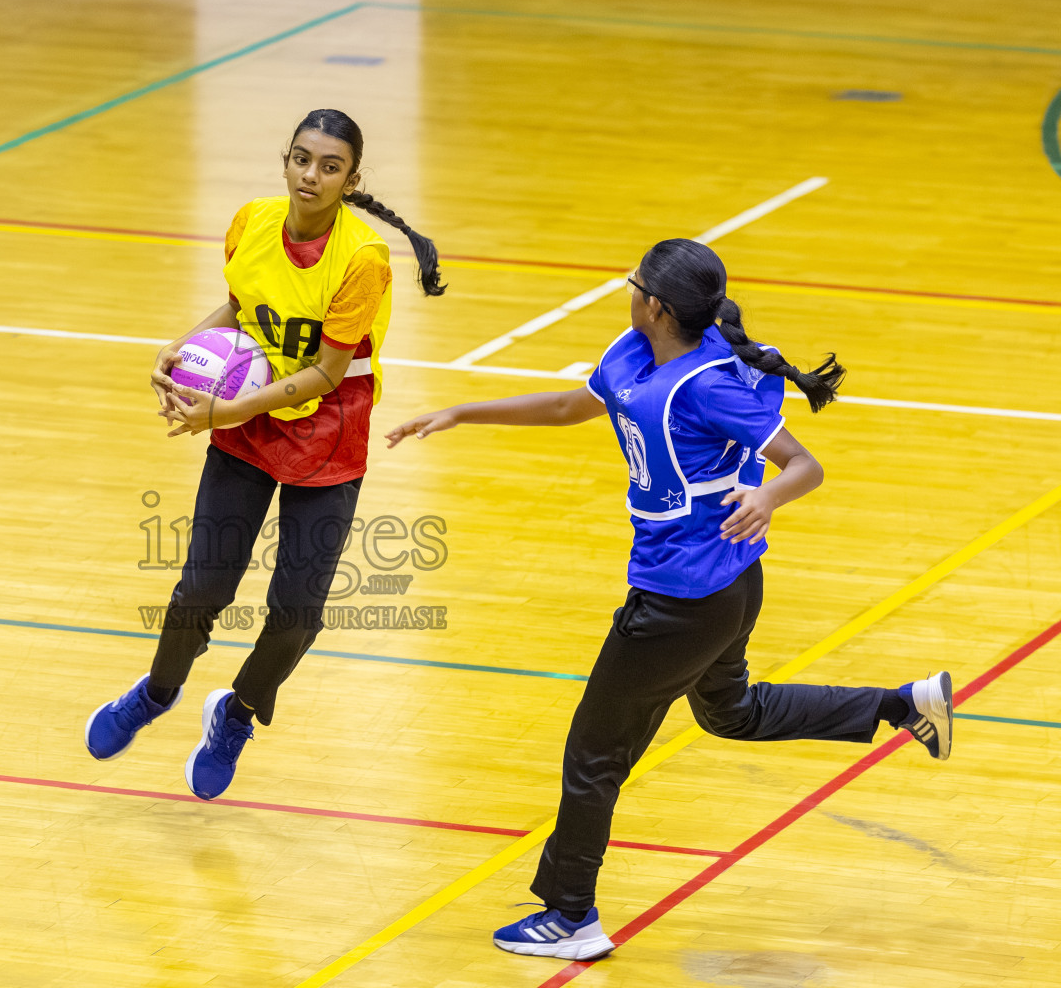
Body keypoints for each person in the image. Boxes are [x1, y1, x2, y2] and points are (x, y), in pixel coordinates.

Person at [386, 237, 952, 961]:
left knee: (594, 752)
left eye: (634, 285)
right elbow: (567, 406)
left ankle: (570, 916)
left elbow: (804, 465)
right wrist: (465, 413)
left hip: (681, 601)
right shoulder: (632, 350)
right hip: (727, 588)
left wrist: (768, 496)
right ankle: (903, 705)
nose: (628, 293)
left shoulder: (708, 384)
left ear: (656, 305)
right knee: (733, 713)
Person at [84, 108, 446, 801]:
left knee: (298, 614)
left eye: (330, 166)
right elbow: (237, 311)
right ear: (285, 160)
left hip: (326, 432)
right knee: (202, 590)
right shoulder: (251, 222)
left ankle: (238, 711)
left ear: (351, 179)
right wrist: (179, 350)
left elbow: (326, 374)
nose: (312, 175)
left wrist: (220, 411)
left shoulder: (362, 260)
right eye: (301, 159)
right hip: (248, 425)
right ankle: (157, 693)